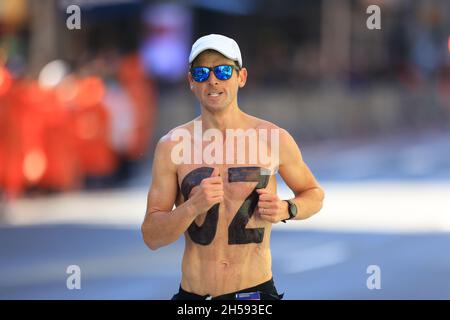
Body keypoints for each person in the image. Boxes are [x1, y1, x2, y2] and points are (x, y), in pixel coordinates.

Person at [141, 34, 325, 300]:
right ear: (191, 81)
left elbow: (314, 194)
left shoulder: (273, 138)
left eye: (224, 70)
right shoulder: (172, 145)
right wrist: (192, 206)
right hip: (195, 298)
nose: (213, 80)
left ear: (241, 77)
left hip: (253, 296)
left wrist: (288, 208)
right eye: (202, 73)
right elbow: (152, 236)